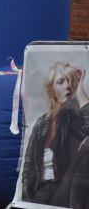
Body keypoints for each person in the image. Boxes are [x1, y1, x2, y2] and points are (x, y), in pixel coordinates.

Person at [22, 61, 89, 206]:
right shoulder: (41, 123)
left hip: (64, 192)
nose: (67, 85)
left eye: (70, 81)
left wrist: (80, 90)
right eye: (61, 81)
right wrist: (26, 197)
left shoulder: (75, 119)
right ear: (51, 88)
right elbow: (28, 167)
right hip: (38, 193)